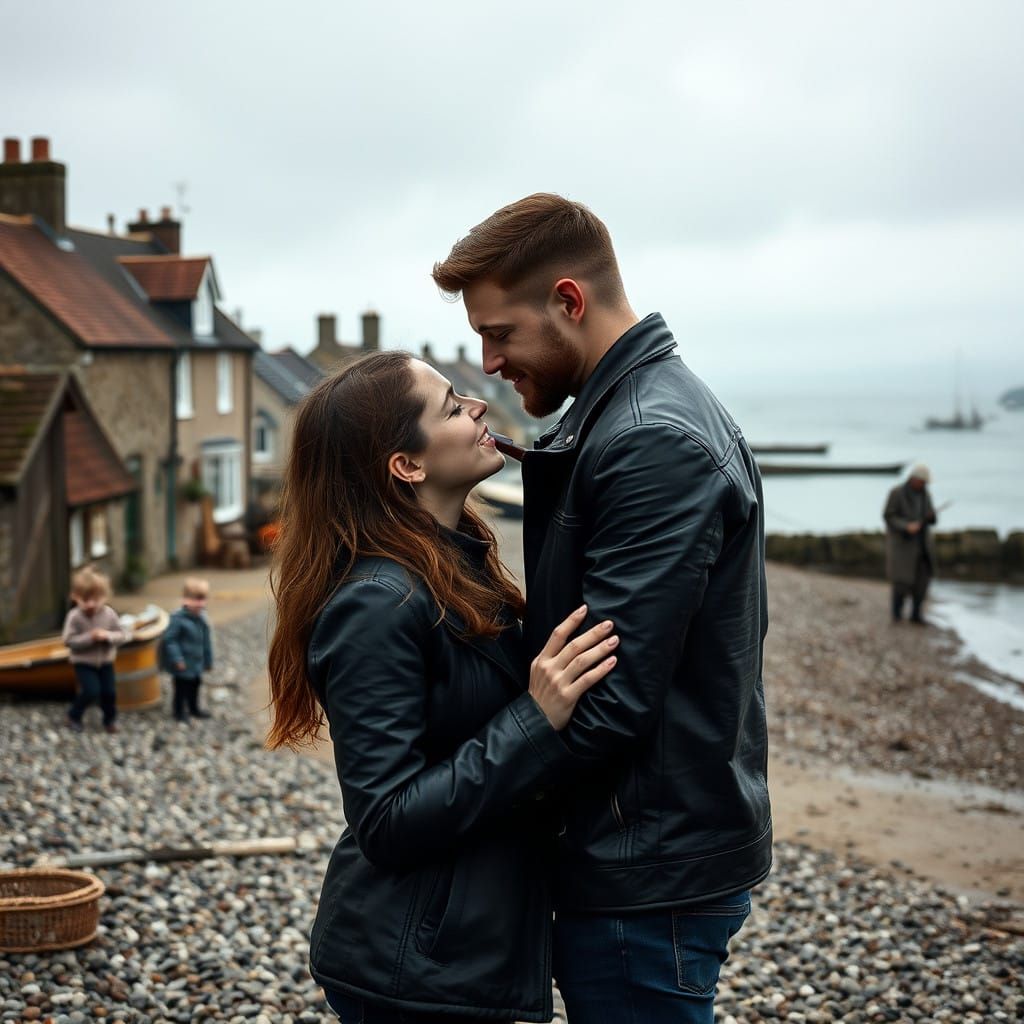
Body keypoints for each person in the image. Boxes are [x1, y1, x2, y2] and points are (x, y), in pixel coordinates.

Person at [432, 193, 772, 1024]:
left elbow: (608, 695)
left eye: (500, 333)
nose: (488, 364)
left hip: (643, 867)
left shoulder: (652, 436)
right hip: (640, 851)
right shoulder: (624, 412)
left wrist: (454, 798)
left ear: (569, 302)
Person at [265, 351, 619, 1023]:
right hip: (410, 967)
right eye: (454, 407)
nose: (480, 408)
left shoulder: (455, 565)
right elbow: (386, 819)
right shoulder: (377, 604)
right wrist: (533, 718)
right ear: (408, 465)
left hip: (457, 953)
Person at [63, 566, 127, 734]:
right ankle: (73, 715)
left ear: (104, 596)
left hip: (105, 661)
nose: (90, 604)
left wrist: (107, 636)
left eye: (95, 599)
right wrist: (89, 637)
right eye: (85, 599)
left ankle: (109, 720)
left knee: (110, 692)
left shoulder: (109, 614)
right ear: (76, 597)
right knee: (91, 691)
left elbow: (122, 635)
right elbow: (68, 641)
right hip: (83, 662)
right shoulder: (75, 616)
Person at [884, 464, 938, 625]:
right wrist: (906, 526)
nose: (924, 485)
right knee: (901, 582)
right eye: (922, 482)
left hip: (923, 546)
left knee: (922, 582)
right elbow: (889, 516)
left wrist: (931, 516)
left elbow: (932, 519)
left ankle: (916, 615)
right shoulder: (896, 493)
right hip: (903, 546)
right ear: (913, 479)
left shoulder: (925, 494)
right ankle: (896, 615)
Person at [161, 577, 214, 721]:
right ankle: (178, 711)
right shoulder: (178, 619)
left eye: (201, 599)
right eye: (195, 600)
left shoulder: (202, 618)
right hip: (183, 663)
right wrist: (177, 658)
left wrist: (208, 660)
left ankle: (194, 708)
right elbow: (170, 640)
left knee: (195, 685)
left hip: (196, 662)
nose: (199, 604)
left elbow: (206, 642)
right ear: (185, 599)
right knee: (181, 689)